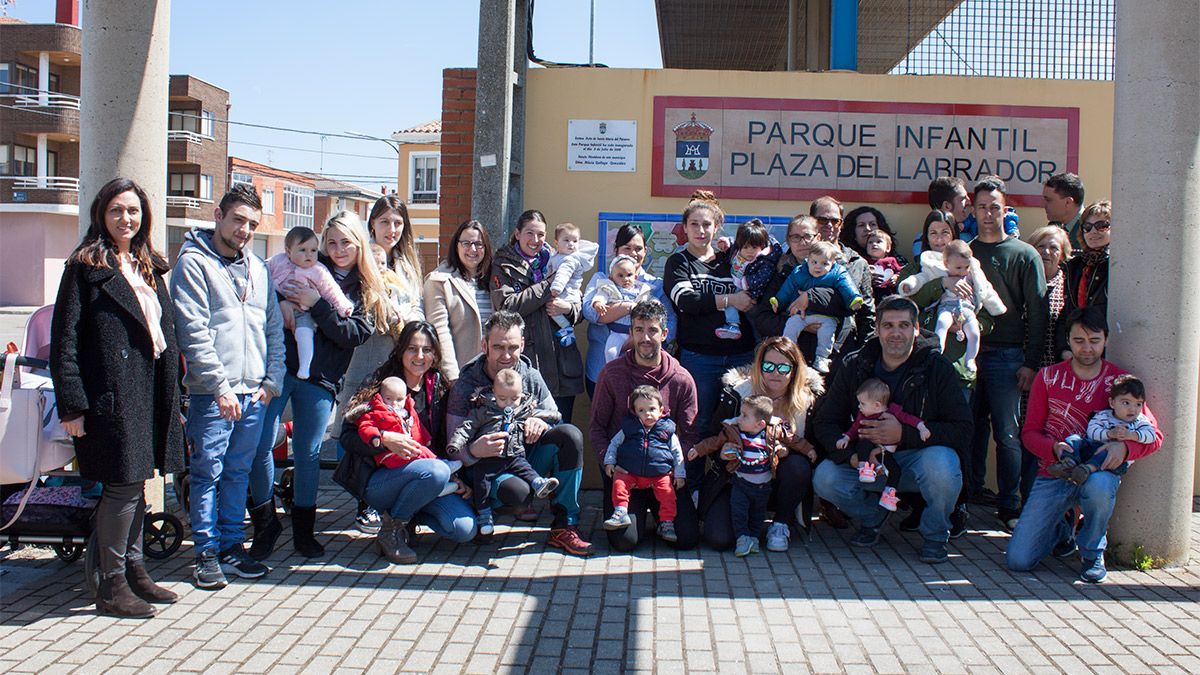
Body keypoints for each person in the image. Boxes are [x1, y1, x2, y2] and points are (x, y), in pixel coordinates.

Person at [50, 177, 185, 617]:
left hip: (149, 389)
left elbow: (163, 332)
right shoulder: (84, 268)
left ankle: (136, 571)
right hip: (111, 394)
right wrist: (72, 404)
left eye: (133, 210)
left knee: (140, 481)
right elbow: (65, 340)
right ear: (100, 216)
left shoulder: (148, 265)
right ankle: (110, 586)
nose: (125, 219)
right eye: (116, 211)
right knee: (122, 486)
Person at [250, 210, 385, 558]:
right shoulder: (304, 259)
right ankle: (265, 522)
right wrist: (282, 302)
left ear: (359, 245)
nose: (338, 249)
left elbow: (353, 334)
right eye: (332, 242)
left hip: (322, 377)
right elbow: (267, 283)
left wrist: (317, 305)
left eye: (346, 243)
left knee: (309, 454)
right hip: (280, 368)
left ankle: (303, 530)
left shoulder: (367, 284)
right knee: (261, 443)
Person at [171, 184, 284, 587]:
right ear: (218, 216)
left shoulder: (259, 268)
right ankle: (205, 552)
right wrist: (219, 387)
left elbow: (273, 329)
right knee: (208, 473)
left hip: (254, 391)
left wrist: (272, 382)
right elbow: (193, 333)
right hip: (211, 395)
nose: (245, 230)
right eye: (238, 219)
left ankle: (232, 548)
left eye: (253, 223)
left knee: (238, 472)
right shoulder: (193, 264)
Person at [812, 296, 972, 564]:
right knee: (825, 478)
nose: (896, 332)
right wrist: (852, 456)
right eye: (888, 325)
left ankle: (935, 535)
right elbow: (825, 421)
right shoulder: (856, 364)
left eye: (904, 325)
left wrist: (904, 434)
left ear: (916, 329)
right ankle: (874, 517)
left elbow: (963, 429)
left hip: (918, 462)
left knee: (943, 465)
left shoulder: (936, 367)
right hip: (869, 463)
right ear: (877, 330)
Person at [1009, 308, 1162, 582]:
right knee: (1019, 561)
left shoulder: (1121, 383)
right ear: (1068, 340)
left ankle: (1092, 553)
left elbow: (1155, 436)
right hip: (1055, 472)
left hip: (1098, 472)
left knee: (1102, 486)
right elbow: (1030, 433)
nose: (1087, 347)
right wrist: (1053, 448)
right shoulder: (1047, 377)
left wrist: (1125, 449)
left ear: (1106, 340)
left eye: (1094, 340)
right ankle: (1062, 527)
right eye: (1079, 340)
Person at [447, 310, 593, 556]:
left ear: (522, 345)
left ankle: (565, 524)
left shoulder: (529, 375)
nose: (506, 355)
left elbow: (554, 413)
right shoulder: (467, 384)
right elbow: (453, 443)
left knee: (569, 435)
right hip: (486, 469)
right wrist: (473, 450)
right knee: (518, 492)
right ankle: (485, 509)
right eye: (498, 347)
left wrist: (540, 421)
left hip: (521, 458)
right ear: (485, 345)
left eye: (513, 347)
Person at [333, 321, 475, 563]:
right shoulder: (380, 383)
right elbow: (347, 437)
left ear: (435, 353)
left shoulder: (440, 387)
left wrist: (458, 479)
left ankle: (407, 518)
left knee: (464, 529)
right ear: (400, 351)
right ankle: (392, 530)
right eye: (412, 348)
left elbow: (447, 441)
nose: (419, 356)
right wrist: (384, 440)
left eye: (427, 349)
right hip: (381, 481)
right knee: (437, 470)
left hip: (430, 476)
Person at [967, 176, 1048, 530]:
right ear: (973, 210)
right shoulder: (964, 252)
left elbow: (1038, 312)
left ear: (1006, 210)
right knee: (968, 429)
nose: (988, 214)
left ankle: (1009, 504)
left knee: (1008, 433)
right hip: (967, 355)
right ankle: (965, 498)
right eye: (982, 207)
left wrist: (1031, 363)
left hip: (1008, 357)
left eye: (994, 207)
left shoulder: (1024, 254)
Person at [589, 300, 701, 552]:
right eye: (639, 330)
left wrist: (674, 469)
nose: (645, 337)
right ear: (631, 333)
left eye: (652, 330)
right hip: (626, 476)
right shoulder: (612, 373)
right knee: (624, 541)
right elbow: (597, 427)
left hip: (664, 476)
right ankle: (640, 518)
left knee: (687, 539)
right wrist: (609, 463)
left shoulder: (681, 379)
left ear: (664, 333)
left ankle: (665, 519)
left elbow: (691, 432)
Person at [664, 191, 756, 490]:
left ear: (717, 227)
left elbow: (768, 255)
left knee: (741, 425)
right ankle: (691, 493)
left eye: (707, 224)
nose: (701, 231)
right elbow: (686, 300)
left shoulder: (733, 260)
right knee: (697, 426)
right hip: (699, 359)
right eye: (694, 224)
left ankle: (732, 492)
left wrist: (736, 248)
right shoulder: (678, 263)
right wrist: (731, 299)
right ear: (685, 227)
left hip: (742, 358)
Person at [700, 336, 823, 551]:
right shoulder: (738, 394)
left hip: (779, 480)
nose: (775, 373)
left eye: (783, 367)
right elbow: (713, 436)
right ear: (759, 366)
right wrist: (723, 451)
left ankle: (781, 523)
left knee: (798, 465)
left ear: (794, 370)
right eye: (768, 366)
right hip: (737, 479)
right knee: (719, 539)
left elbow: (815, 447)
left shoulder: (809, 400)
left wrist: (786, 452)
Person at [492, 209, 585, 424]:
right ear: (517, 234)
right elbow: (506, 307)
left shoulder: (559, 258)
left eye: (540, 234)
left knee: (562, 437)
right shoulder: (503, 265)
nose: (535, 240)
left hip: (562, 364)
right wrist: (548, 284)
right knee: (529, 438)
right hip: (529, 366)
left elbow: (580, 307)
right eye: (529, 233)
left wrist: (568, 310)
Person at [447, 367, 561, 534]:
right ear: (494, 393)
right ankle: (484, 515)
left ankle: (539, 484)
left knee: (526, 469)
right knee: (481, 483)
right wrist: (456, 444)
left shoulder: (522, 409)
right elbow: (466, 428)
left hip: (514, 455)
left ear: (522, 394)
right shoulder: (484, 411)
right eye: (502, 398)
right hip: (489, 459)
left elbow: (551, 414)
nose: (508, 404)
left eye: (514, 398)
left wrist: (542, 420)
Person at [690, 395, 808, 556]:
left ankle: (754, 537)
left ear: (760, 424)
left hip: (763, 485)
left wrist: (808, 450)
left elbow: (794, 440)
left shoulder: (773, 431)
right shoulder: (734, 431)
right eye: (740, 414)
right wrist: (699, 449)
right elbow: (715, 441)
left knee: (757, 514)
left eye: (744, 416)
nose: (739, 419)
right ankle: (742, 538)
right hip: (740, 483)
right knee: (739, 512)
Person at [748, 215, 858, 382]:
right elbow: (763, 319)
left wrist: (810, 297)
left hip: (831, 358)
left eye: (808, 236)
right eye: (795, 237)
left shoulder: (838, 269)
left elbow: (850, 305)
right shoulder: (780, 271)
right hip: (790, 364)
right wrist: (802, 324)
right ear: (788, 241)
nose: (802, 242)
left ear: (818, 238)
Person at [582, 223, 675, 395]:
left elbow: (670, 324)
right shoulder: (602, 279)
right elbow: (590, 312)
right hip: (600, 369)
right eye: (627, 248)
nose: (633, 253)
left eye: (638, 248)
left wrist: (635, 341)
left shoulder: (655, 286)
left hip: (643, 372)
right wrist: (629, 307)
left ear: (645, 252)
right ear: (616, 250)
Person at [898, 239, 1007, 372]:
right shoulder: (932, 270)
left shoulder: (973, 275)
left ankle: (970, 358)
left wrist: (996, 307)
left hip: (967, 312)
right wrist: (937, 283)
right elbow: (918, 283)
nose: (962, 271)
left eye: (945, 232)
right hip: (946, 308)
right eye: (933, 233)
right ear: (946, 263)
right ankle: (937, 351)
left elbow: (986, 291)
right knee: (942, 323)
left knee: (974, 332)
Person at [266, 227, 354, 380]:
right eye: (302, 250)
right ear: (288, 251)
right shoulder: (278, 260)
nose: (309, 255)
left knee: (304, 333)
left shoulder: (318, 270)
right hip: (276, 307)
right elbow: (262, 273)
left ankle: (304, 365)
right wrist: (278, 300)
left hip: (303, 311)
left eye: (313, 250)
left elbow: (331, 290)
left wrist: (343, 307)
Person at [601, 385, 686, 542]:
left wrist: (680, 474)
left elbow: (677, 453)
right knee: (619, 481)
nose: (647, 414)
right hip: (631, 472)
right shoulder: (628, 428)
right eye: (641, 410)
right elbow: (614, 444)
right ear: (634, 412)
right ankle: (620, 512)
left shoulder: (667, 430)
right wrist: (610, 461)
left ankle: (667, 523)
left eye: (652, 409)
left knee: (668, 494)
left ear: (661, 410)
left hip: (659, 474)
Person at [769, 240, 865, 373]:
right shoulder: (799, 272)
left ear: (833, 264)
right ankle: (787, 353)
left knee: (827, 334)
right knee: (791, 326)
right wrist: (778, 302)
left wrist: (853, 299)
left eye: (824, 263)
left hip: (825, 316)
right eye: (814, 262)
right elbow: (787, 289)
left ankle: (822, 357)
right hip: (802, 314)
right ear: (808, 260)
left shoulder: (837, 273)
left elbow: (847, 287)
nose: (818, 267)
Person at [836, 378, 931, 511]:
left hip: (885, 451)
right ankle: (865, 467)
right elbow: (854, 428)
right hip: (869, 449)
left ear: (876, 405)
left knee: (895, 470)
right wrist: (846, 438)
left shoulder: (893, 411)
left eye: (862, 404)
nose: (859, 407)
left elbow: (909, 419)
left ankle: (889, 494)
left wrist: (922, 428)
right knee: (864, 442)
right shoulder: (863, 416)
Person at [1046, 374, 1154, 485]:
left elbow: (1151, 435)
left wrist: (1131, 435)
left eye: (1138, 404)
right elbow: (1091, 431)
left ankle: (1086, 470)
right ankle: (1068, 462)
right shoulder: (1103, 416)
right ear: (1112, 403)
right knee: (1074, 439)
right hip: (1091, 449)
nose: (1132, 409)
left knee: (1106, 453)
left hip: (1113, 461)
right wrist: (1108, 434)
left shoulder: (1140, 421)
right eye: (1126, 403)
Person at [423, 219, 494, 382]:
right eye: (466, 243)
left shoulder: (493, 281)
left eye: (478, 244)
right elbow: (440, 331)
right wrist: (453, 377)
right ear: (456, 245)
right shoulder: (439, 281)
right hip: (462, 376)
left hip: (493, 376)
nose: (473, 249)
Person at [810, 196, 876, 354]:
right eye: (823, 220)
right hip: (802, 348)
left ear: (842, 225)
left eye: (835, 221)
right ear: (811, 221)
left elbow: (867, 314)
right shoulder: (796, 259)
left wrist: (863, 355)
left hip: (842, 350)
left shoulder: (857, 263)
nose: (829, 226)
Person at [717, 218, 782, 339]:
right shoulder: (739, 252)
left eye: (754, 247)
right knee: (730, 302)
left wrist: (746, 283)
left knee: (755, 324)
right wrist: (727, 242)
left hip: (754, 297)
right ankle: (733, 325)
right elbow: (735, 242)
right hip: (741, 290)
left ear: (762, 246)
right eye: (746, 247)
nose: (749, 252)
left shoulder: (765, 260)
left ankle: (737, 327)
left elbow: (761, 279)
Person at [368, 194, 424, 323]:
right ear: (373, 223)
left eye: (397, 223)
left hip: (405, 337)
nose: (392, 229)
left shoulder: (408, 265)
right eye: (385, 222)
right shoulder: (361, 259)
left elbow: (417, 305)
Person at [1061, 201, 1111, 343]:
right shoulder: (1074, 266)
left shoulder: (1118, 266)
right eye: (1087, 227)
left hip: (1107, 345)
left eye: (1102, 226)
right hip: (1077, 345)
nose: (1093, 232)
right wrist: (1064, 348)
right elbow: (1067, 312)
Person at [589, 255, 656, 361]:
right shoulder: (609, 288)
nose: (625, 279)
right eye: (620, 275)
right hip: (617, 331)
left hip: (637, 331)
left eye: (629, 275)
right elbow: (601, 296)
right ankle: (612, 372)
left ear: (635, 277)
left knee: (639, 357)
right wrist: (598, 303)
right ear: (611, 278)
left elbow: (651, 301)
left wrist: (656, 304)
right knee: (611, 353)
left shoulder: (642, 290)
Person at [546, 222, 598, 346]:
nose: (571, 244)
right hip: (564, 292)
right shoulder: (558, 256)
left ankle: (568, 329)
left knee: (552, 310)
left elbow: (563, 274)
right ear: (556, 243)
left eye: (575, 241)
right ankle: (566, 329)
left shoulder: (570, 259)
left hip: (566, 293)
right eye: (566, 240)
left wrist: (555, 289)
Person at [1042, 172, 1086, 249]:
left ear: (1068, 202)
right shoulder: (1055, 226)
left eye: (1048, 200)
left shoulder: (1091, 231)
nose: (1044, 205)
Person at [863, 230, 903, 304]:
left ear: (888, 248)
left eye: (879, 242)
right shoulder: (864, 262)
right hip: (871, 294)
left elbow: (902, 272)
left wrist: (896, 277)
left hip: (888, 292)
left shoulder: (891, 261)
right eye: (870, 242)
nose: (874, 244)